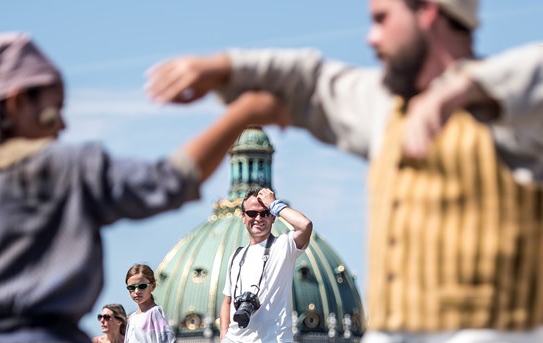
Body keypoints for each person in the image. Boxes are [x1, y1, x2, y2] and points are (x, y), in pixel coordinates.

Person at [145, 0, 543, 342]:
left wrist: (465, 88)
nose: (370, 38)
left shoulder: (519, 115)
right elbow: (312, 80)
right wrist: (225, 66)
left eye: (382, 18)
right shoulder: (385, 107)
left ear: (429, 13)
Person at [0, 32, 289, 342]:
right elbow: (170, 180)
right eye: (52, 110)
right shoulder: (67, 169)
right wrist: (241, 114)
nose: (61, 124)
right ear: (16, 102)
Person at [220, 188, 313, 342]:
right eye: (252, 213)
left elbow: (305, 225)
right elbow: (227, 301)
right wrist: (224, 334)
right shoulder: (236, 256)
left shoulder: (283, 246)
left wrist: (274, 205)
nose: (258, 218)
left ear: (273, 217)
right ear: (243, 217)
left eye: (265, 213)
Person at [124, 264, 176, 343]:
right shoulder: (131, 318)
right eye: (131, 287)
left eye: (142, 286)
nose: (137, 291)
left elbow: (167, 340)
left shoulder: (155, 312)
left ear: (153, 286)